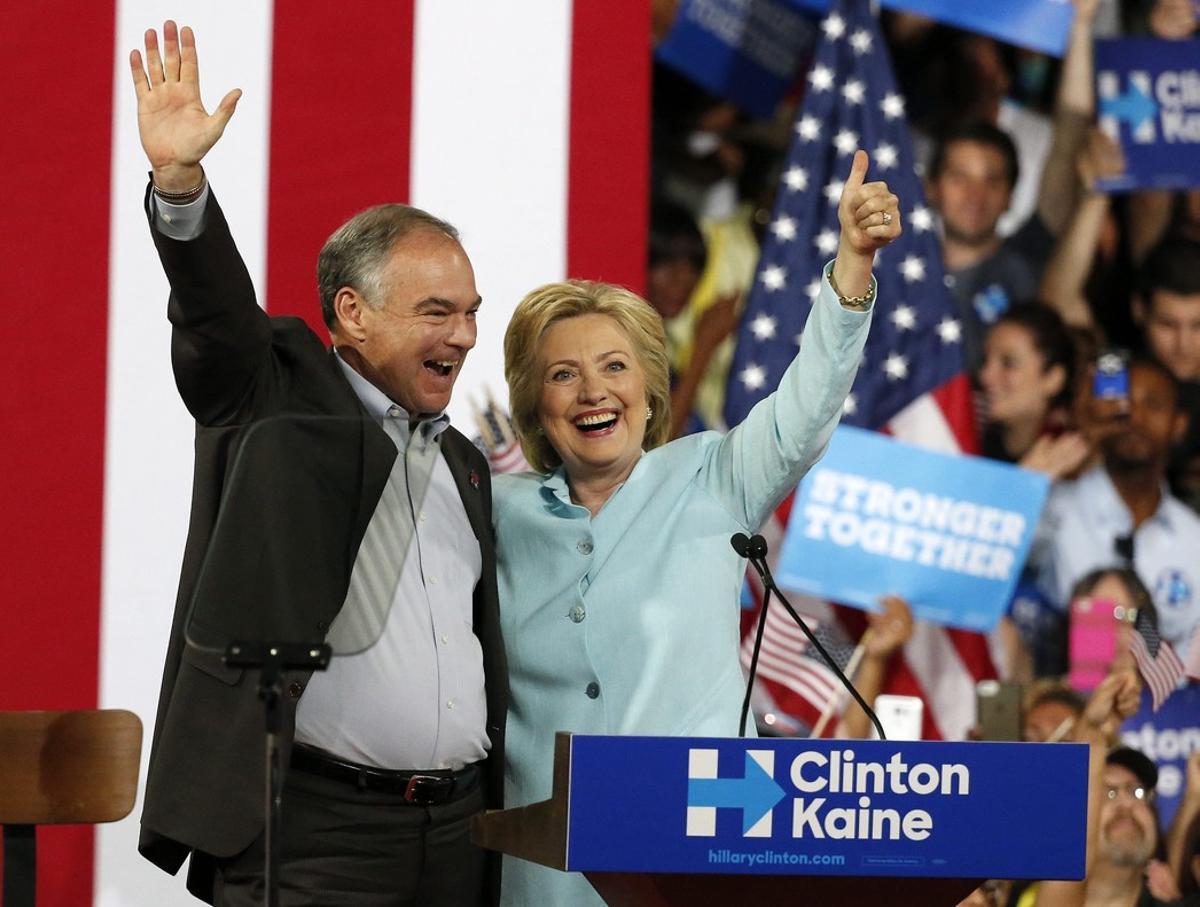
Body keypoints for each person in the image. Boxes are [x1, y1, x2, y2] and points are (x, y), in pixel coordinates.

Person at [129, 22, 506, 905]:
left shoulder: (465, 460)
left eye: (471, 312)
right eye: (436, 311)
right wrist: (180, 186)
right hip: (315, 833)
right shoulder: (277, 396)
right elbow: (216, 316)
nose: (462, 335)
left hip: (458, 833)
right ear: (353, 313)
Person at [492, 150, 900, 905]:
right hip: (543, 881)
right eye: (562, 374)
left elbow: (804, 408)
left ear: (650, 388)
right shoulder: (494, 511)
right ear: (536, 405)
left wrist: (852, 264)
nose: (593, 392)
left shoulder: (712, 475)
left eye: (615, 367)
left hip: (690, 869)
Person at [1032, 357, 1200, 655]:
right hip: (1063, 690)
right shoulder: (1054, 508)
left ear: (1179, 425)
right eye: (1119, 404)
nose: (1133, 416)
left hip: (1162, 698)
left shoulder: (1193, 538)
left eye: (1153, 405)